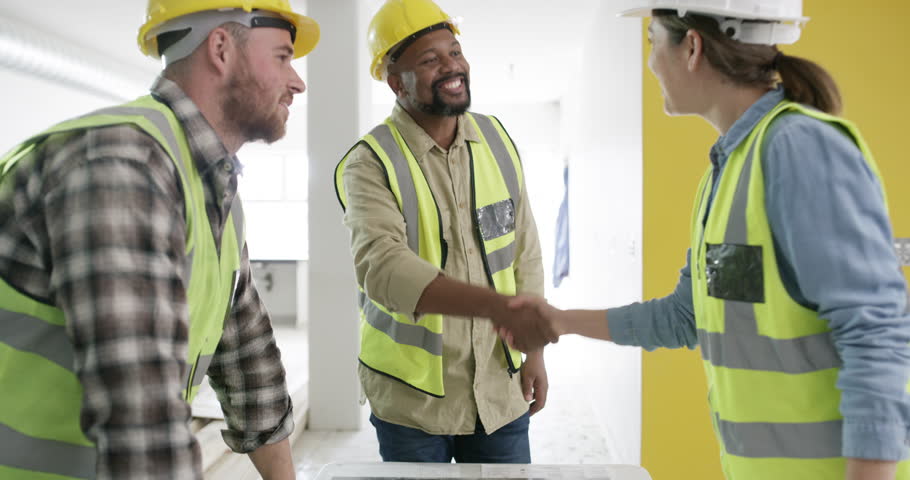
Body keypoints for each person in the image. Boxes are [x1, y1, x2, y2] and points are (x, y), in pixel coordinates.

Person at [500, 0, 910, 479]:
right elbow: (684, 317)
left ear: (691, 46)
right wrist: (560, 321)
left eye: (653, 42)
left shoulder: (798, 147)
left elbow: (875, 332)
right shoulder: (727, 171)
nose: (651, 62)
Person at [0, 1, 318, 478]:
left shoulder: (212, 187)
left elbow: (248, 362)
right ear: (221, 48)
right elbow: (141, 420)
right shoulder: (120, 165)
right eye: (282, 57)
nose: (297, 82)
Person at [334, 0, 554, 464]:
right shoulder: (370, 162)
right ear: (396, 82)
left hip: (499, 393)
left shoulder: (496, 140)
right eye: (430, 60)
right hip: (412, 405)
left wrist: (533, 351)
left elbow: (524, 253)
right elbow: (382, 268)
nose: (452, 67)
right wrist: (492, 306)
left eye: (454, 52)